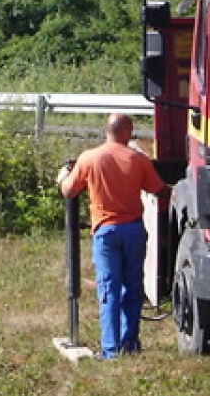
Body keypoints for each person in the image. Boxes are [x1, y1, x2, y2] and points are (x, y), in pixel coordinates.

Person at [57, 113, 169, 357]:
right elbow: (160, 191)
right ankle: (130, 344)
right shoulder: (138, 159)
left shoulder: (90, 158)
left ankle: (110, 350)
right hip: (134, 231)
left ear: (107, 131)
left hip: (105, 232)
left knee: (109, 290)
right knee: (133, 288)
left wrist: (63, 176)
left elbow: (69, 190)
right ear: (128, 132)